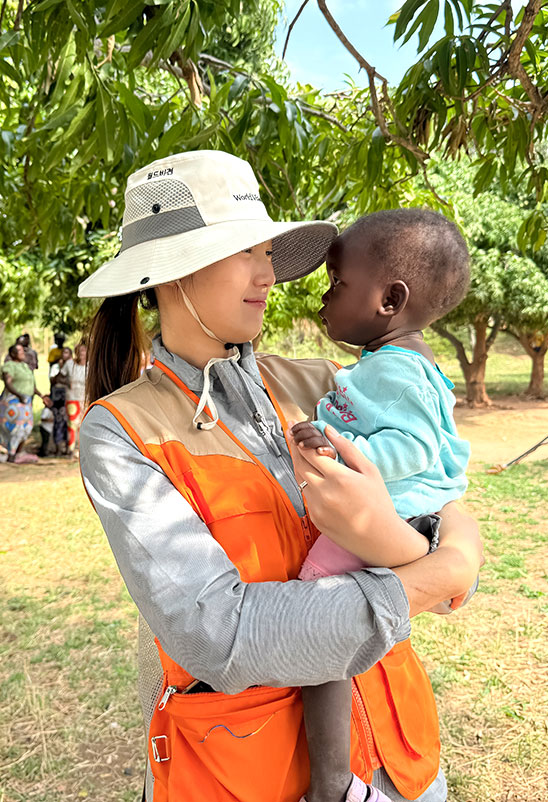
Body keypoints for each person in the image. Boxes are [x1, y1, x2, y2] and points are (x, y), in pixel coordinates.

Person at [77, 151, 482, 802]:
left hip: (398, 757)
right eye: (247, 251)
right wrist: (436, 573)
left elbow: (442, 497)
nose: (270, 274)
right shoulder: (122, 431)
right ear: (173, 271)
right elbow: (223, 635)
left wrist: (427, 553)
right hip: (250, 775)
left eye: (268, 251)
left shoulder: (320, 381)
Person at [291, 209, 472, 802]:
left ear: (390, 299)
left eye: (337, 283)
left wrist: (346, 454)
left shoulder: (395, 370)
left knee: (315, 625)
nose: (324, 296)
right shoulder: (389, 364)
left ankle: (331, 782)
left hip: (387, 517)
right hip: (405, 521)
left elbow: (415, 446)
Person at [0, 343, 50, 463]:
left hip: (26, 403)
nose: (23, 354)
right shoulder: (9, 366)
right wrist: (19, 395)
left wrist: (41, 395)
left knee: (26, 428)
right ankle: (11, 453)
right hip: (13, 402)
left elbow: (31, 385)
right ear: (13, 354)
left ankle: (16, 453)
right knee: (16, 428)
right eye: (20, 352)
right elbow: (8, 382)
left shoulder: (25, 366)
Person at [60, 342, 87, 456]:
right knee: (72, 423)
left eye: (84, 351)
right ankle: (71, 449)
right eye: (79, 351)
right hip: (72, 398)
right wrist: (66, 382)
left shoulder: (91, 366)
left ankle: (82, 451)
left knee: (84, 424)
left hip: (86, 399)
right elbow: (58, 378)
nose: (81, 353)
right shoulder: (69, 364)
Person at [49, 346, 72, 456]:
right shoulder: (56, 367)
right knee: (58, 420)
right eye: (63, 353)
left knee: (69, 422)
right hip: (58, 396)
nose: (64, 355)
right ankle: (58, 448)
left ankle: (68, 447)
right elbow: (54, 380)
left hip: (70, 397)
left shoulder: (73, 366)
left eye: (67, 353)